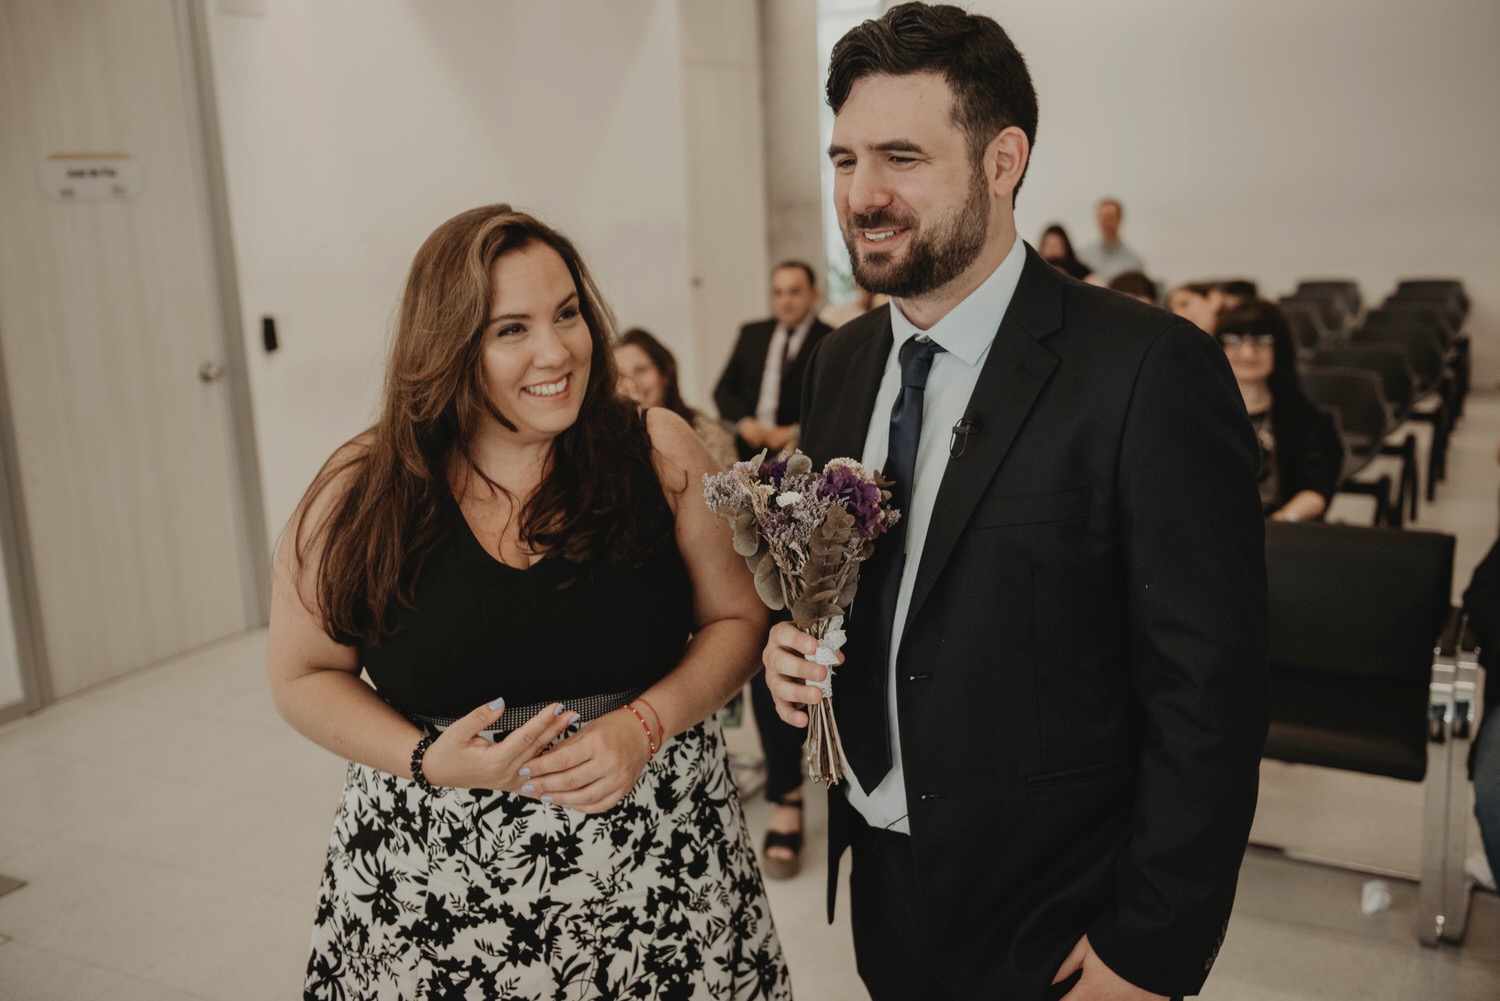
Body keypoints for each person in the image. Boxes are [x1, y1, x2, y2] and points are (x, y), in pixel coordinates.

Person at [763, 5, 1268, 1000]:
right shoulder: (842, 361)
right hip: (887, 890)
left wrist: (1148, 946)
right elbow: (870, 588)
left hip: (1064, 915)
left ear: (1003, 161)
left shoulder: (1148, 370)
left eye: (901, 157)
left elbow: (1210, 693)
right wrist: (797, 643)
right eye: (845, 159)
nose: (861, 194)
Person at [268, 205, 790, 1000]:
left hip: (657, 867)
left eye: (568, 313)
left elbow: (739, 620)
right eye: (511, 329)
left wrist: (645, 725)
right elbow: (301, 674)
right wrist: (423, 758)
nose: (558, 350)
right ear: (446, 345)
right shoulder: (364, 487)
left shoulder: (657, 450)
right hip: (436, 880)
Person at [1215, 300, 1343, 522]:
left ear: (1279, 349)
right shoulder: (1200, 412)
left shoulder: (1307, 418)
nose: (1247, 352)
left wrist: (1281, 520)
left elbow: (1316, 490)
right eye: (1235, 340)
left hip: (1279, 529)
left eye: (1261, 341)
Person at [713, 261, 833, 460]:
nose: (785, 301)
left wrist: (795, 431)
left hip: (801, 451)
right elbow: (723, 391)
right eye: (778, 293)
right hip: (746, 449)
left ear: (814, 295)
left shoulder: (829, 339)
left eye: (794, 292)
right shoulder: (752, 334)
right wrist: (745, 423)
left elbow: (833, 403)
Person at [615, 326, 737, 469]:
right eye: (620, 375)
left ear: (665, 373)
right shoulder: (610, 440)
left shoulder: (705, 433)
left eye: (641, 370)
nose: (631, 383)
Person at [1076, 197, 1146, 284]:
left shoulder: (1133, 261)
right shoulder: (1082, 256)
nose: (1106, 223)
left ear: (1119, 219)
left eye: (1110, 217)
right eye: (1102, 217)